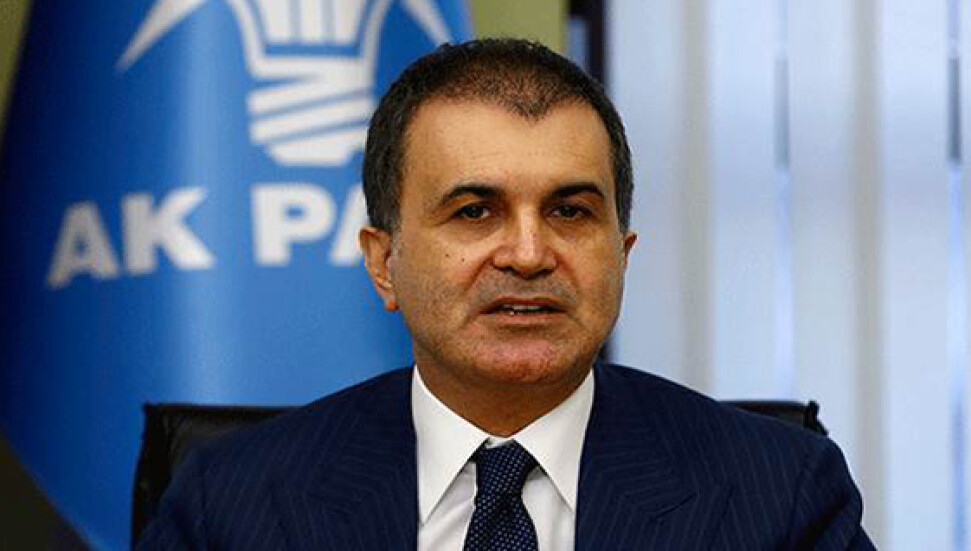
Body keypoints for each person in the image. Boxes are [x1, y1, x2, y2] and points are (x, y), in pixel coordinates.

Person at [138, 38, 874, 550]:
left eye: (569, 211)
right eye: (474, 211)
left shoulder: (778, 494)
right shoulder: (233, 504)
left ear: (620, 256)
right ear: (383, 263)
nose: (527, 254)